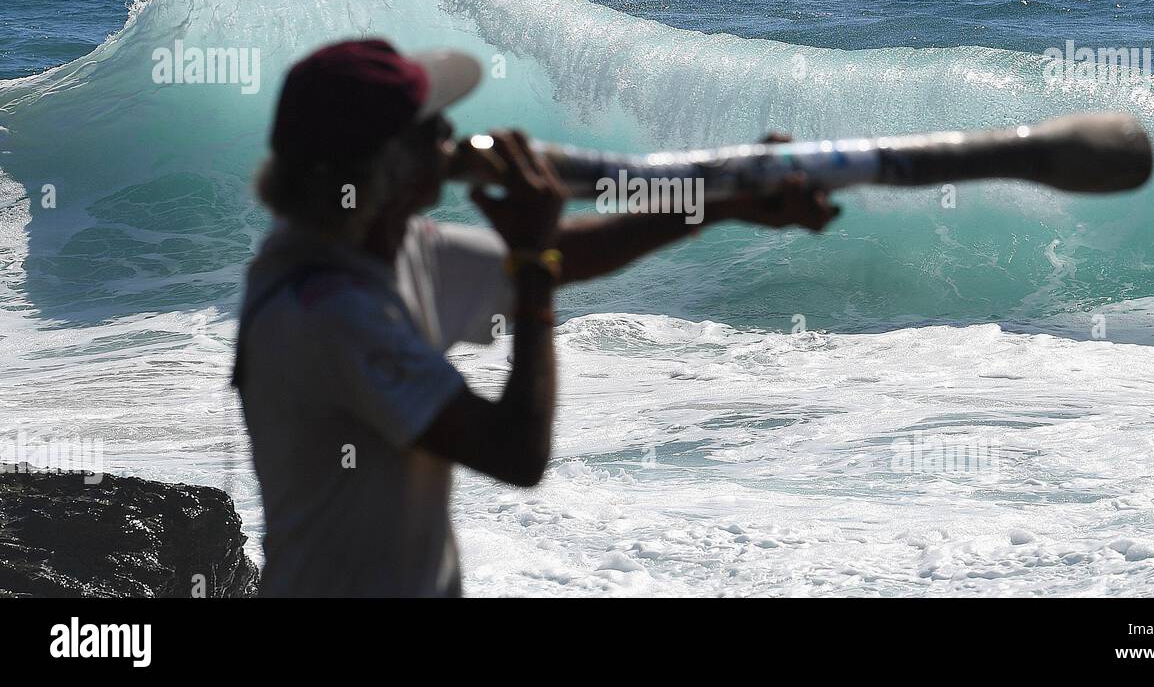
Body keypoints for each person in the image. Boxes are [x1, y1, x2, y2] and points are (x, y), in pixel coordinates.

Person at [233, 38, 839, 597]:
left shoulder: (388, 245)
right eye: (428, 128)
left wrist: (728, 201)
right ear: (381, 170)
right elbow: (516, 451)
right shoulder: (327, 311)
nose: (450, 131)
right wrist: (533, 267)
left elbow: (574, 250)